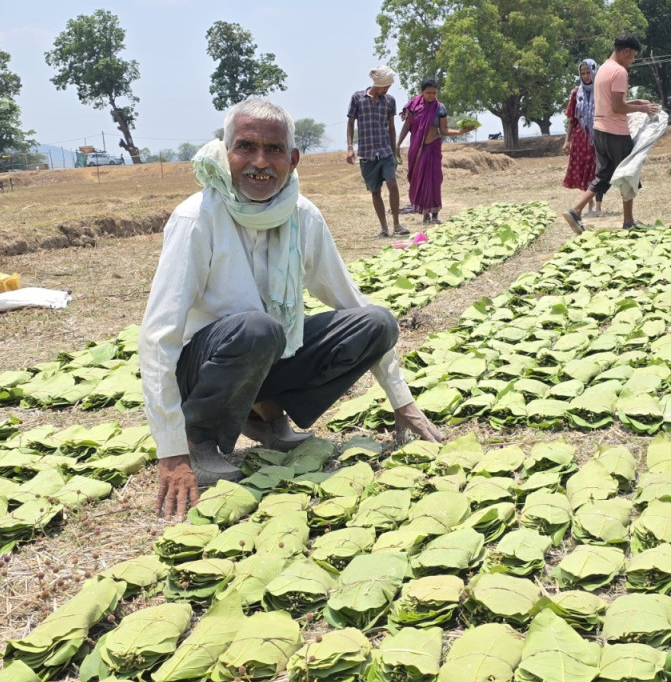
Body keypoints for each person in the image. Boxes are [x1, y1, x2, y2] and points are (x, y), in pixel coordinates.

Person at [140, 98, 444, 519]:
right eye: (246, 147)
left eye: (274, 150)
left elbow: (350, 301)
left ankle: (264, 412)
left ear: (294, 159)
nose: (260, 162)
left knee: (376, 323)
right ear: (226, 152)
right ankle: (198, 438)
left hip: (262, 354)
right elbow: (159, 338)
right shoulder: (197, 218)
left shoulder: (302, 215)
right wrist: (171, 452)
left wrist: (401, 400)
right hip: (203, 370)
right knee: (259, 329)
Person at [562, 34, 660, 234]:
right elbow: (617, 107)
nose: (632, 61)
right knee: (629, 173)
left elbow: (610, 103)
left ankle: (575, 210)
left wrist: (637, 102)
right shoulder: (619, 72)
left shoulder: (603, 70)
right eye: (632, 56)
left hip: (599, 131)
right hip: (616, 132)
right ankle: (628, 221)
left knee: (604, 175)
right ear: (626, 52)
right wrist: (642, 109)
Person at [347, 66, 409, 237]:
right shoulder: (358, 98)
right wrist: (350, 147)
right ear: (377, 84)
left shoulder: (390, 101)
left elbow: (391, 127)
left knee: (392, 184)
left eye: (389, 87)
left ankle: (397, 224)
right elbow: (351, 124)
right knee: (375, 191)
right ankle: (384, 228)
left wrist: (395, 150)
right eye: (385, 86)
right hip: (366, 153)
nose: (387, 89)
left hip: (385, 151)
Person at [396, 78, 464, 225]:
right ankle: (425, 215)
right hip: (418, 150)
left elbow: (444, 130)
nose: (431, 95)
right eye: (428, 93)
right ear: (422, 92)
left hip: (433, 148)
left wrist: (459, 132)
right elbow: (406, 127)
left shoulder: (440, 108)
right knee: (420, 180)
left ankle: (435, 215)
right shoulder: (414, 106)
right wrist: (398, 144)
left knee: (434, 180)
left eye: (434, 93)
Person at [563, 59, 602, 216]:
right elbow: (572, 119)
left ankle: (598, 205)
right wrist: (567, 140)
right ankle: (588, 202)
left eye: (588, 72)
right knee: (583, 170)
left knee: (598, 170)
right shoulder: (576, 93)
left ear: (594, 72)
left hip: (598, 135)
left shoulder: (601, 90)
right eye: (583, 73)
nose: (586, 76)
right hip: (581, 138)